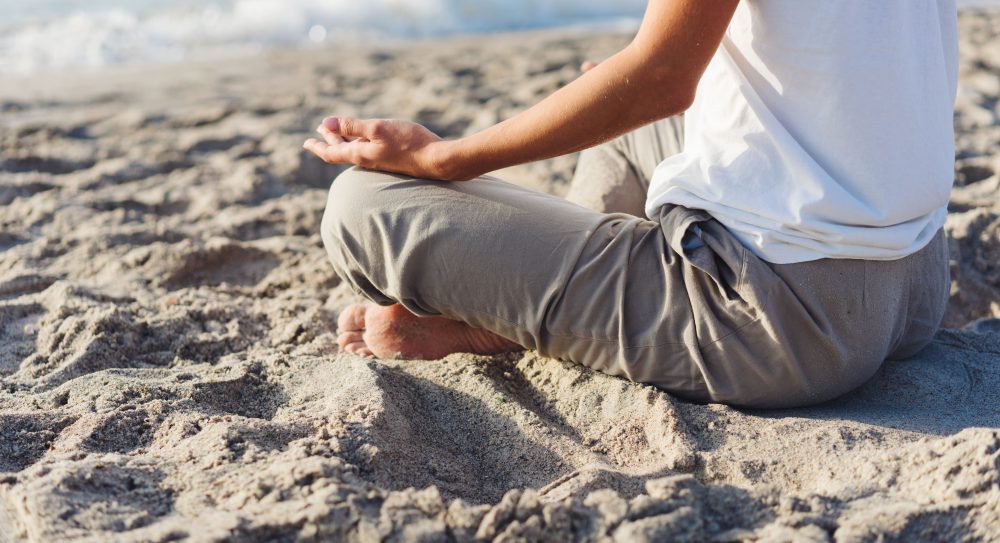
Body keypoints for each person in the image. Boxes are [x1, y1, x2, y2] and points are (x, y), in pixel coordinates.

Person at [303, 0, 957, 408]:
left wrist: (441, 158)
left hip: (790, 320)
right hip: (917, 275)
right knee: (625, 124)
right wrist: (632, 84)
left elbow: (661, 80)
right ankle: (530, 306)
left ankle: (512, 318)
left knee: (360, 207)